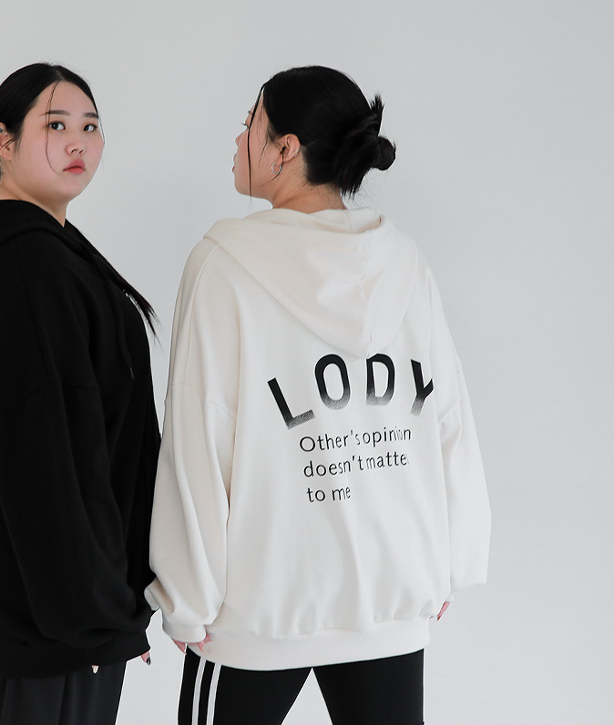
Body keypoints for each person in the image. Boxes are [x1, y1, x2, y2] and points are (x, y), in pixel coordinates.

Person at [145, 66, 491, 725]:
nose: (238, 138)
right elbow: (448, 417)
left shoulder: (223, 264)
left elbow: (198, 437)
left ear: (285, 148)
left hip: (256, 614)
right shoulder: (403, 260)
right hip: (387, 602)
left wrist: (187, 597)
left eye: (250, 124)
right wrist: (451, 559)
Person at [0, 63, 160, 725]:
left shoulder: (18, 251)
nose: (79, 142)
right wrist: (98, 615)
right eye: (55, 125)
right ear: (4, 140)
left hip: (20, 593)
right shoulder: (28, 266)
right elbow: (46, 459)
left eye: (91, 127)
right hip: (54, 613)